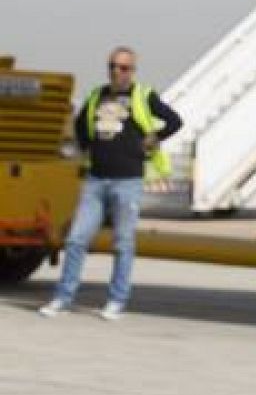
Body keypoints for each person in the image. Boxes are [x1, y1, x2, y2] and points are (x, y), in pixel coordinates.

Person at [39, 46, 183, 320]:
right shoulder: (96, 96)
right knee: (75, 240)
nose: (117, 71)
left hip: (128, 180)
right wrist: (81, 150)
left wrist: (155, 137)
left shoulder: (143, 95)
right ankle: (62, 298)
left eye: (124, 67)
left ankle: (117, 300)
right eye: (112, 66)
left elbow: (175, 121)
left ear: (133, 71)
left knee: (123, 243)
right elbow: (81, 128)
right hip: (95, 180)